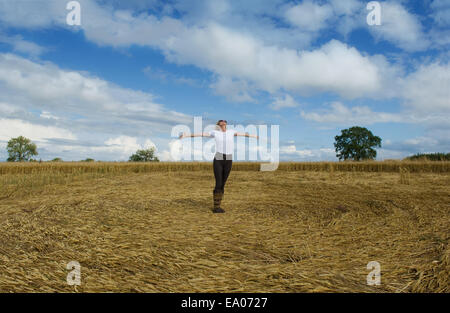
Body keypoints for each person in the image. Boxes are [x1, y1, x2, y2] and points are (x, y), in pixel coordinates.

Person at [179, 120, 258, 213]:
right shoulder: (215, 133)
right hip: (219, 158)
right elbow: (201, 134)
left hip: (229, 158)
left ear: (226, 124)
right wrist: (186, 135)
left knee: (223, 184)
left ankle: (218, 205)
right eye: (221, 121)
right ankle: (216, 208)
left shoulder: (231, 132)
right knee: (219, 183)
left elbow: (244, 135)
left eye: (224, 121)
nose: (223, 122)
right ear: (218, 124)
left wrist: (255, 136)